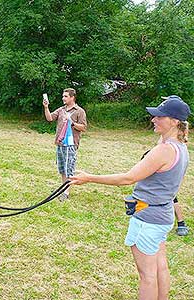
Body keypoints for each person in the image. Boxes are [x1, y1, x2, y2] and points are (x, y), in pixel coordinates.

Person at [70, 95, 191, 300]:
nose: (153, 119)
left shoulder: (163, 150)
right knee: (160, 268)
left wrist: (88, 178)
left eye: (159, 117)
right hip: (162, 217)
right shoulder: (180, 147)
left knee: (147, 276)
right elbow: (165, 137)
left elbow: (128, 178)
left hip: (148, 218)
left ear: (175, 121)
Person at [43, 88, 87, 200]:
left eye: (66, 96)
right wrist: (46, 107)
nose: (63, 98)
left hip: (71, 144)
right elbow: (49, 118)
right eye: (63, 96)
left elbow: (83, 127)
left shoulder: (79, 111)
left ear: (72, 97)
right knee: (62, 168)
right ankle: (62, 189)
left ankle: (66, 193)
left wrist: (72, 123)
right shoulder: (61, 110)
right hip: (60, 143)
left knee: (69, 169)